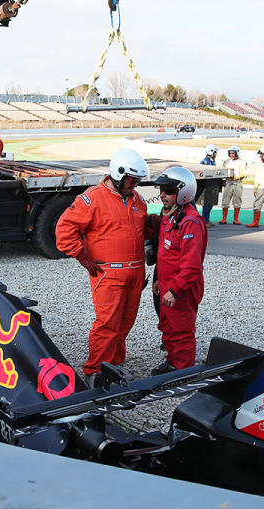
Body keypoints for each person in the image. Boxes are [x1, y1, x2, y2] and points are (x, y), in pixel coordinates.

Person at [55, 148, 155, 386]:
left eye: (138, 181)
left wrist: (153, 226)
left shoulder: (137, 199)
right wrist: (83, 257)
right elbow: (63, 230)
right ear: (118, 175)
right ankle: (95, 372)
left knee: (125, 322)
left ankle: (114, 367)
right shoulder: (92, 199)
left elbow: (140, 231)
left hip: (135, 272)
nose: (135, 184)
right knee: (107, 323)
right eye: (132, 180)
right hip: (108, 273)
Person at [149, 166, 207, 375]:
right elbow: (167, 254)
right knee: (167, 327)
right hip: (167, 284)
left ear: (183, 192)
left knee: (181, 330)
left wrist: (175, 290)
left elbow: (191, 267)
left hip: (182, 288)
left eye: (169, 191)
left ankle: (183, 371)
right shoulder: (169, 214)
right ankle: (173, 361)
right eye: (162, 190)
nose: (163, 195)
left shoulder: (190, 222)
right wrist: (160, 281)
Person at [217, 145, 246, 225]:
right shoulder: (226, 162)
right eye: (230, 153)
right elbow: (223, 172)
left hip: (238, 183)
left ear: (237, 153)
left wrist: (237, 176)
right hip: (228, 183)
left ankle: (236, 219)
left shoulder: (242, 162)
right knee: (225, 200)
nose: (231, 155)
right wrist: (223, 181)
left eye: (233, 153)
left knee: (237, 201)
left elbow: (244, 173)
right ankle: (224, 218)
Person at [197, 144, 219, 227]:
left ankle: (207, 219)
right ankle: (204, 220)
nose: (216, 154)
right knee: (206, 204)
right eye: (215, 152)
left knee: (210, 203)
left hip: (212, 185)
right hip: (206, 185)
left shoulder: (212, 161)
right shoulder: (204, 161)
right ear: (211, 152)